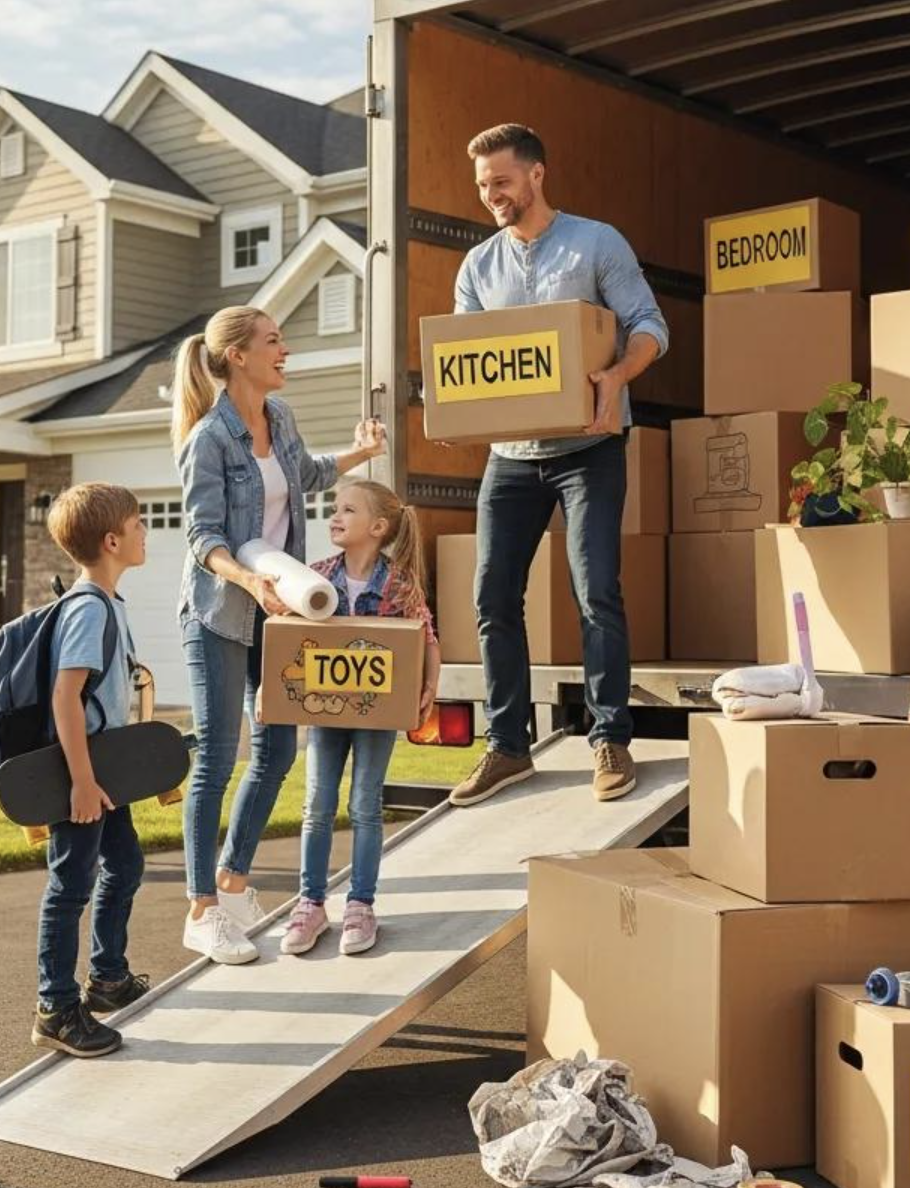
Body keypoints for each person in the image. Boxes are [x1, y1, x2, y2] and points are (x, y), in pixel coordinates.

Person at [446, 123, 669, 809]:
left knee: (596, 590)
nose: (493, 197)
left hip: (589, 451)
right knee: (490, 599)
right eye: (484, 186)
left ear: (537, 174)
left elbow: (650, 327)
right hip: (511, 459)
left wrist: (615, 377)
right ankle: (509, 746)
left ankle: (610, 736)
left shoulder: (596, 243)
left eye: (503, 182)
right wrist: (462, 413)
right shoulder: (477, 267)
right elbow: (468, 362)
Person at [174, 305, 387, 964]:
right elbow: (202, 534)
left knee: (277, 753)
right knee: (216, 757)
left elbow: (307, 473)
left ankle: (234, 882)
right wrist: (246, 579)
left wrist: (362, 452)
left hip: (279, 609)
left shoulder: (282, 420)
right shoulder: (210, 439)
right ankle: (201, 909)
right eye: (274, 341)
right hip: (219, 611)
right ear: (238, 356)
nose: (285, 350)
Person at [279, 480, 441, 957]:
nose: (334, 516)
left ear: (377, 527)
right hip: (326, 713)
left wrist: (430, 685)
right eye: (334, 508)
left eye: (346, 510)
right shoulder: (316, 578)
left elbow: (426, 635)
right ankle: (310, 904)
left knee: (366, 805)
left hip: (376, 715)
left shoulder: (399, 583)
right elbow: (288, 637)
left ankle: (361, 905)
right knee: (317, 804)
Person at [32, 482, 151, 1058]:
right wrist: (80, 781)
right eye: (138, 525)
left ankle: (107, 977)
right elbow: (65, 698)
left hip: (105, 771)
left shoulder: (107, 603)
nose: (145, 533)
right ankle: (55, 1008)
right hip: (83, 774)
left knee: (124, 863)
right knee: (70, 885)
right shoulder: (87, 608)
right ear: (112, 540)